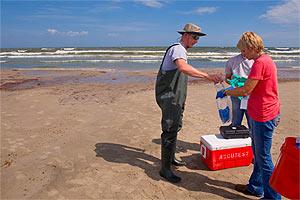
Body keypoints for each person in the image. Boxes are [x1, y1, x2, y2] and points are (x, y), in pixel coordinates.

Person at [155, 23, 221, 183]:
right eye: (195, 37)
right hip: (170, 96)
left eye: (198, 38)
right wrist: (208, 76)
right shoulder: (178, 49)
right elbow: (183, 68)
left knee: (176, 125)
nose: (197, 41)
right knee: (170, 128)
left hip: (176, 96)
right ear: (185, 35)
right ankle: (165, 169)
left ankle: (171, 159)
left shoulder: (181, 50)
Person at [225, 31, 281, 199]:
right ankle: (256, 187)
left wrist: (227, 92)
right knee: (258, 154)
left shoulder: (260, 63)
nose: (242, 54)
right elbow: (253, 87)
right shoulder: (266, 60)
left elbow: (246, 89)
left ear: (251, 47)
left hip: (264, 114)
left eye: (243, 50)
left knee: (263, 157)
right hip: (262, 111)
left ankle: (272, 197)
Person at [225, 53, 253, 127]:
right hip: (236, 93)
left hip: (251, 94)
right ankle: (235, 134)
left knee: (252, 121)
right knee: (236, 120)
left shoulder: (256, 61)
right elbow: (227, 78)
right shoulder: (232, 60)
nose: (244, 52)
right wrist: (233, 82)